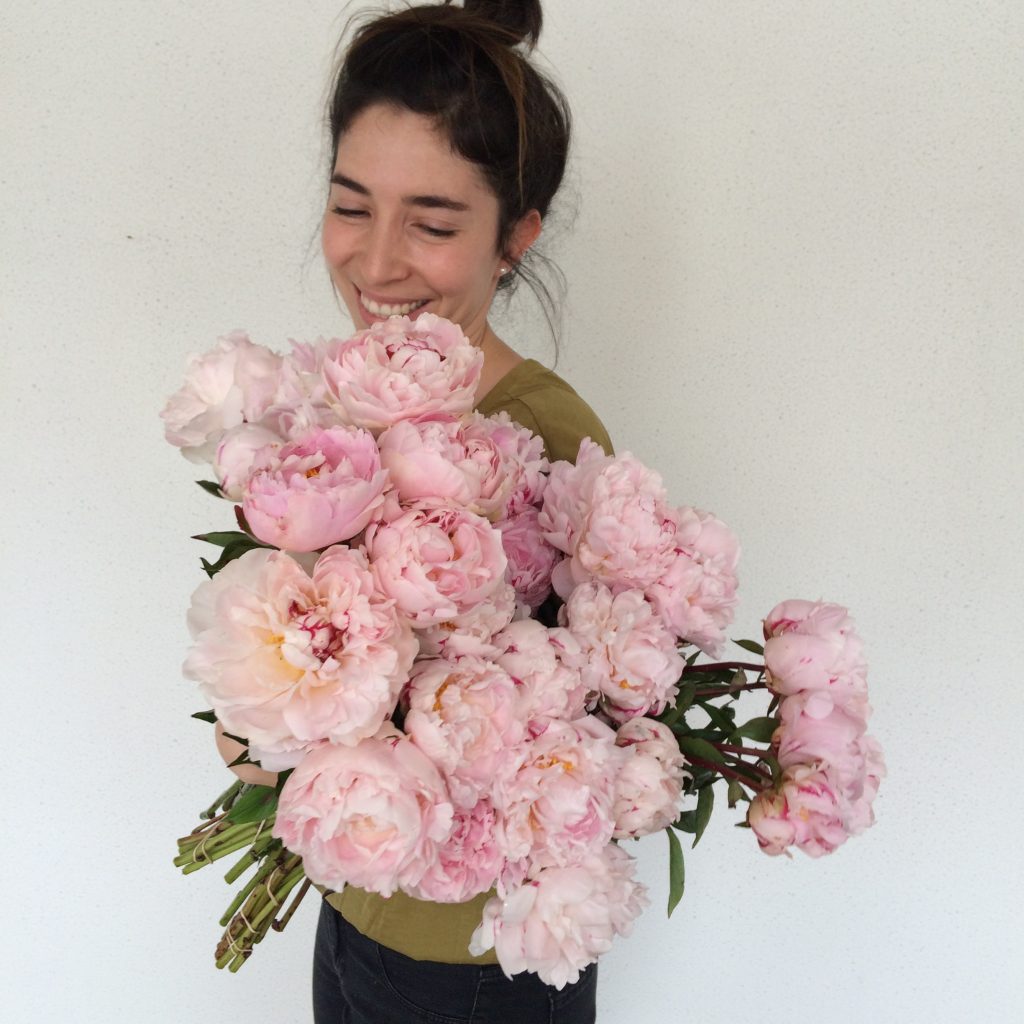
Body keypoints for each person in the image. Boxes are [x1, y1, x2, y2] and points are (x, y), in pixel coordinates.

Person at [217, 2, 613, 1020]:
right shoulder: (343, 403)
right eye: (352, 206)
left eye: (433, 225)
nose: (377, 261)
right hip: (353, 912)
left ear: (516, 236)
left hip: (472, 965)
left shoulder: (547, 441)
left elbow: (589, 745)